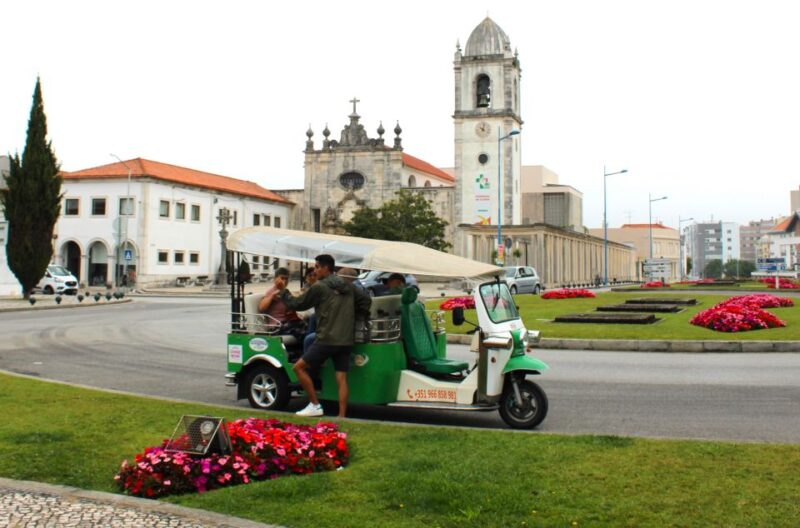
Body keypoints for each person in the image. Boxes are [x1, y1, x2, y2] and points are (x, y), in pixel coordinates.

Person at [277, 255, 371, 417]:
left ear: (325, 268)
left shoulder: (319, 287)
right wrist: (353, 315)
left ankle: (315, 405)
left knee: (298, 368)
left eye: (317, 267)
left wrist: (283, 291)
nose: (315, 270)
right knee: (341, 377)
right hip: (346, 339)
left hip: (327, 338)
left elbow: (298, 304)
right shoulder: (348, 285)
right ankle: (342, 416)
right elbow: (366, 301)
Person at [258, 267, 305, 340]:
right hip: (276, 327)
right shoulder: (272, 292)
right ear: (275, 279)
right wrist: (271, 296)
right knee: (302, 329)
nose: (284, 281)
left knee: (306, 324)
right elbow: (261, 308)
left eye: (286, 279)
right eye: (282, 278)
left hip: (287, 323)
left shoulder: (285, 292)